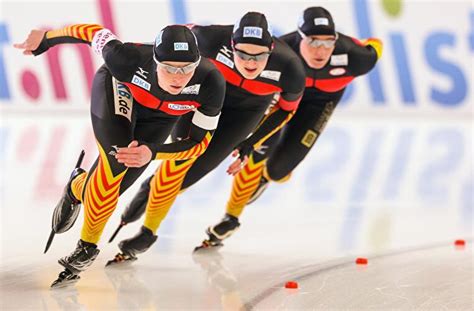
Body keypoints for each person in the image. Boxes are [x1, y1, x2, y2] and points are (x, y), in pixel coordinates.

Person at [14, 23, 226, 286]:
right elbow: (91, 32)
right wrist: (46, 39)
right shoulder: (127, 58)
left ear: (197, 64)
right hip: (118, 90)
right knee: (117, 160)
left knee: (107, 192)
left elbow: (198, 144)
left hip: (160, 120)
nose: (177, 77)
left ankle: (76, 187)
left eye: (186, 69)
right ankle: (87, 247)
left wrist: (153, 153)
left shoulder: (211, 82)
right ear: (155, 61)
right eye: (169, 67)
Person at [105, 12, 306, 264]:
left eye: (259, 56)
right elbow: (168, 49)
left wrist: (250, 142)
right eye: (242, 54)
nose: (251, 63)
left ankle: (145, 221)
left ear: (272, 49)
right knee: (176, 163)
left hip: (245, 114)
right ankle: (145, 229)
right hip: (204, 101)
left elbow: (286, 110)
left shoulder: (290, 68)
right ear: (230, 45)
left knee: (188, 175)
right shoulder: (208, 38)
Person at [200, 6, 383, 249]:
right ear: (299, 37)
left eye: (328, 42)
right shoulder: (281, 53)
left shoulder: (357, 57)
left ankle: (266, 176)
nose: (321, 51)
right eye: (313, 41)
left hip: (321, 103)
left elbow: (375, 45)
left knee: (278, 170)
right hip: (285, 98)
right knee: (259, 146)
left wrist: (358, 43)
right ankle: (231, 218)